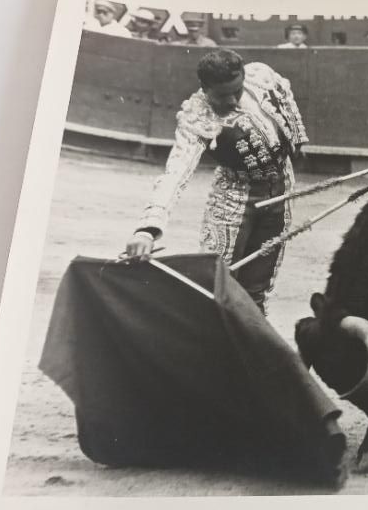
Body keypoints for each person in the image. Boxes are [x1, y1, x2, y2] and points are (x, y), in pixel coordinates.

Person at [125, 49, 308, 314]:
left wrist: (298, 137)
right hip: (234, 196)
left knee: (258, 288)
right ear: (205, 88)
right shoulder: (197, 117)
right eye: (223, 96)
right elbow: (176, 172)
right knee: (216, 285)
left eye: (238, 90)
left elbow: (285, 95)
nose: (233, 100)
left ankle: (247, 348)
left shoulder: (261, 74)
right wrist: (147, 229)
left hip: (282, 188)